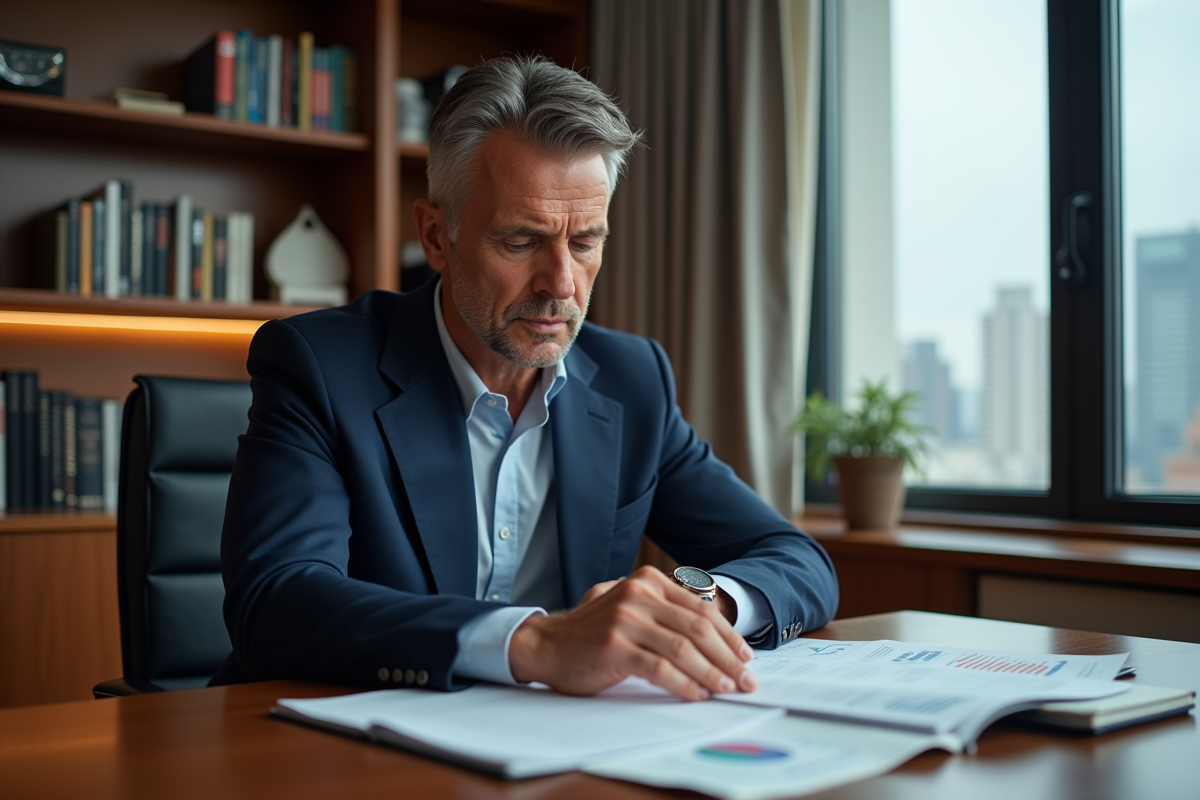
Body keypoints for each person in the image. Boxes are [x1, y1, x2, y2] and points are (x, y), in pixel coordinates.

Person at [214, 56, 838, 701]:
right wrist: (535, 643)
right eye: (520, 242)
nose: (561, 284)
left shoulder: (633, 379)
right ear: (436, 235)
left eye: (586, 242)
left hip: (549, 748)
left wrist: (698, 606)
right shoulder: (318, 365)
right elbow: (277, 604)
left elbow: (797, 560)